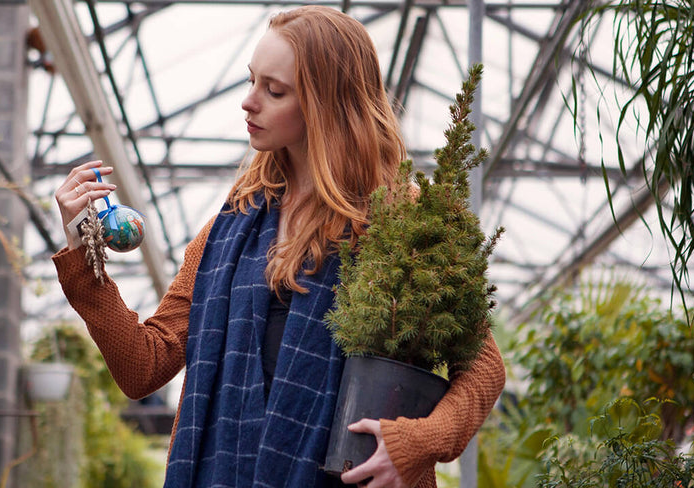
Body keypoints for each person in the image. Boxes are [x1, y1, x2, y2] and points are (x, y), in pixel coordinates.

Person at [52, 6, 505, 487]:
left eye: (275, 90)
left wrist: (416, 443)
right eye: (252, 81)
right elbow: (143, 366)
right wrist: (84, 254)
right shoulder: (226, 233)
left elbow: (484, 368)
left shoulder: (403, 222)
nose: (249, 102)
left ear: (327, 105)